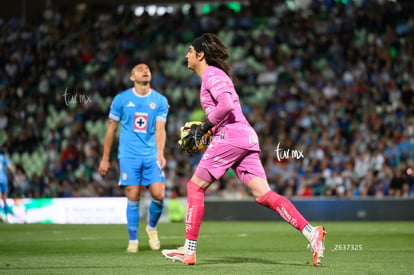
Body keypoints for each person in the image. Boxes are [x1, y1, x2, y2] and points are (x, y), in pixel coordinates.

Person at [162, 33, 326, 266]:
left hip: (231, 136)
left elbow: (226, 105)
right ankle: (312, 233)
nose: (186, 55)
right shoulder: (213, 76)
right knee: (264, 195)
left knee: (194, 187)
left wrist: (204, 127)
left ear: (200, 55)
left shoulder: (211, 74)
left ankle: (189, 250)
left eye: (190, 50)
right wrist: (207, 131)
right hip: (244, 136)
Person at [99, 63, 169, 253]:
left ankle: (152, 228)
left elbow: (161, 130)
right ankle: (133, 241)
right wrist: (106, 158)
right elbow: (111, 130)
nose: (145, 70)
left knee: (159, 194)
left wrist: (160, 152)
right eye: (139, 69)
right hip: (128, 155)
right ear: (132, 78)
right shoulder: (121, 100)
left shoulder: (160, 101)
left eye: (147, 68)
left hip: (150, 154)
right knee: (133, 194)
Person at [0, 148, 14, 222]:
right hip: (3, 179)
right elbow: (10, 168)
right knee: (4, 199)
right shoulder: (3, 157)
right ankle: (7, 216)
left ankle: (1, 215)